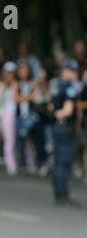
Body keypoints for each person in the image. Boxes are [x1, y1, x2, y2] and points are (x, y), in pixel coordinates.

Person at [49, 59, 80, 206]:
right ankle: (63, 194)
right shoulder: (69, 88)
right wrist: (60, 114)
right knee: (65, 161)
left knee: (58, 159)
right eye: (72, 71)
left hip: (56, 127)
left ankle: (58, 191)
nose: (75, 73)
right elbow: (68, 110)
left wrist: (55, 114)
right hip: (66, 127)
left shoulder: (55, 85)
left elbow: (51, 105)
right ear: (64, 71)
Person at [0, 61, 18, 175]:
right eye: (8, 73)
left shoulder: (16, 84)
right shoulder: (1, 85)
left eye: (12, 73)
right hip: (5, 113)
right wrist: (4, 89)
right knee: (9, 139)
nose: (10, 75)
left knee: (16, 139)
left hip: (16, 113)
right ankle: (10, 163)